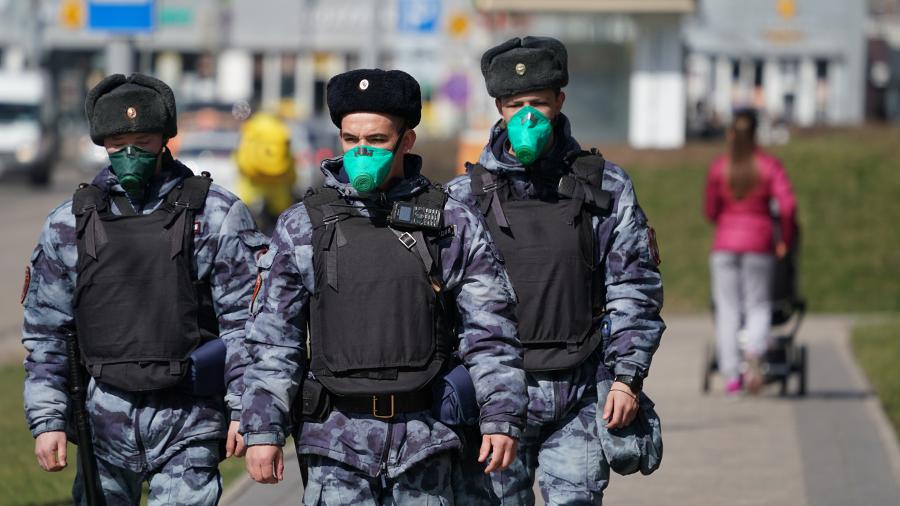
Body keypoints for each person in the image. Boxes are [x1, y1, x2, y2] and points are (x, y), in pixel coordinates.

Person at [239, 68, 528, 504]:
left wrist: (501, 416)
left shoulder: (450, 222)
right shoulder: (303, 226)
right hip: (334, 442)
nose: (361, 151)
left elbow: (490, 331)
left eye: (376, 140)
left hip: (427, 441)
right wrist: (263, 429)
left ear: (406, 141)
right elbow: (274, 339)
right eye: (351, 139)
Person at [22, 73, 264, 505]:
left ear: (165, 139)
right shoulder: (69, 223)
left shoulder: (215, 214)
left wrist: (245, 412)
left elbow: (245, 326)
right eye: (118, 143)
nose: (130, 153)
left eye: (143, 141)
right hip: (102, 422)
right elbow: (46, 333)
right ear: (102, 142)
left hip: (189, 418)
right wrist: (48, 420)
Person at [446, 36, 666, 504]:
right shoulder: (462, 197)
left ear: (559, 101)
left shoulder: (605, 186)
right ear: (499, 108)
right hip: (492, 397)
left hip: (579, 393)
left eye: (538, 104)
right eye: (515, 105)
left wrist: (627, 376)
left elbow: (634, 286)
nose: (527, 117)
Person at [704, 108, 797, 395]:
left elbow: (710, 210)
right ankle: (755, 352)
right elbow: (788, 206)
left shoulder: (721, 167)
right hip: (759, 244)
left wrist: (724, 219)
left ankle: (732, 376)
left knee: (727, 309)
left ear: (731, 134)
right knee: (758, 304)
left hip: (724, 245)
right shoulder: (768, 166)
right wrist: (785, 239)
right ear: (757, 133)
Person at [233, 112, 298, 234]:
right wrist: (292, 180)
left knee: (248, 222)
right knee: (280, 224)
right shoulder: (280, 128)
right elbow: (289, 158)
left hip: (252, 183)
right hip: (279, 185)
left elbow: (240, 157)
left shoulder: (251, 126)